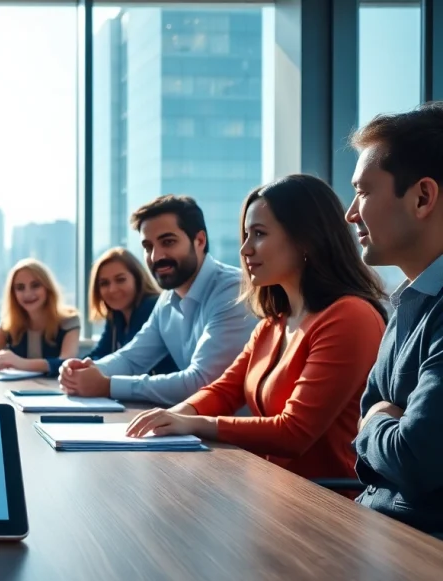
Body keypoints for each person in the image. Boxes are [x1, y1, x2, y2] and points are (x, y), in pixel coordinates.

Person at [125, 175, 387, 483]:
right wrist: (171, 418)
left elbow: (293, 432)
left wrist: (192, 424)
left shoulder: (349, 317)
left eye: (259, 234)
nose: (246, 250)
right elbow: (224, 391)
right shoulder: (273, 323)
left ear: (306, 238)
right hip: (271, 488)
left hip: (328, 502)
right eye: (246, 236)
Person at [346, 102, 443, 536]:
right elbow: (371, 413)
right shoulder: (410, 301)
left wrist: (376, 423)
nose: (351, 214)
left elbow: (415, 458)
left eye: (363, 192)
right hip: (374, 527)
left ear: (422, 197)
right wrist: (384, 419)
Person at [59, 195, 255, 405]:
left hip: (235, 435)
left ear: (199, 241)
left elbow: (203, 383)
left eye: (167, 242)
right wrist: (84, 371)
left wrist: (106, 385)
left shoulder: (233, 290)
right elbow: (131, 358)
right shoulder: (167, 300)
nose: (155, 257)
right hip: (194, 428)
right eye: (148, 247)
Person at [0, 259, 81, 376]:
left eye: (35, 285)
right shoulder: (10, 323)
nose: (28, 294)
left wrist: (20, 363)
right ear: (13, 294)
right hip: (17, 389)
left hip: (57, 390)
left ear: (47, 288)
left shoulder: (70, 320)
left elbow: (66, 362)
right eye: (20, 288)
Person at [84, 247, 176, 375]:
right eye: (104, 283)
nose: (112, 289)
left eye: (120, 280)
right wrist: (68, 367)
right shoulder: (116, 316)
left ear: (137, 279)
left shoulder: (151, 307)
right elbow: (99, 355)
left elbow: (129, 362)